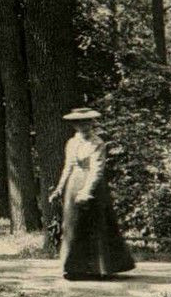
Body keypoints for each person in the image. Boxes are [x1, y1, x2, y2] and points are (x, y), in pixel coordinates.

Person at [49, 108, 135, 280]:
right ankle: (73, 268)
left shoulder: (98, 143)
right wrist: (59, 189)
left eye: (87, 122)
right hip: (73, 185)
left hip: (93, 187)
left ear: (92, 123)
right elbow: (68, 166)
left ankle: (101, 268)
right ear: (74, 124)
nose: (83, 125)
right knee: (73, 225)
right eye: (80, 122)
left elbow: (97, 169)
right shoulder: (72, 143)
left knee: (96, 225)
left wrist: (87, 191)